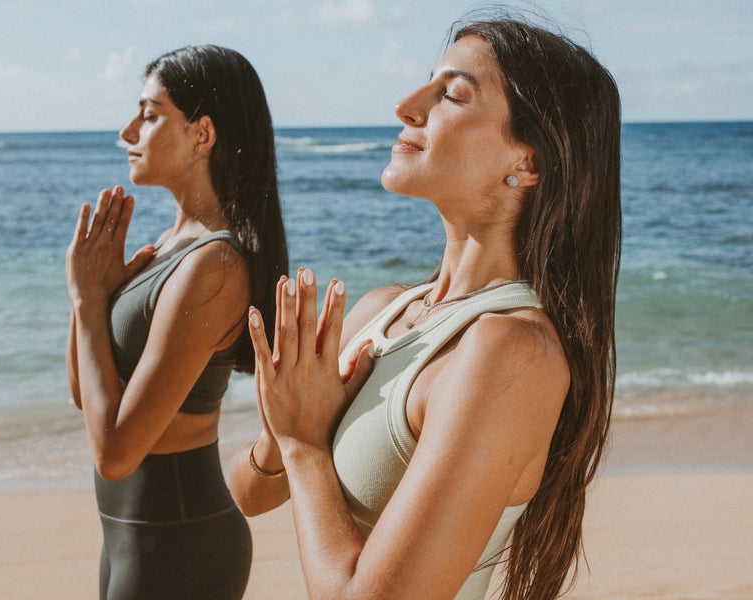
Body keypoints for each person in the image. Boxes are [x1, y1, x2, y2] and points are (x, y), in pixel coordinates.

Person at [229, 16, 621, 600]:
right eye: (425, 85)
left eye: (453, 95)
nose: (406, 106)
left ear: (529, 163)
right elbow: (248, 494)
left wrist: (306, 446)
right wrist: (285, 421)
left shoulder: (511, 353)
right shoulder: (384, 311)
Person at [65, 45, 288, 600]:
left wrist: (92, 303)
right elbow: (85, 397)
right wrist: (87, 300)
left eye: (148, 113)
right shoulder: (169, 249)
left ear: (201, 134)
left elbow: (116, 454)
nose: (126, 131)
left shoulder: (214, 265)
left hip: (181, 541)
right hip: (129, 535)